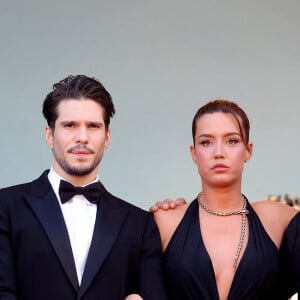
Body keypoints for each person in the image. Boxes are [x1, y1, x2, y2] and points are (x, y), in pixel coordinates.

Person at [0, 75, 167, 300]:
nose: (82, 137)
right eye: (70, 125)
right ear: (49, 135)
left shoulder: (140, 225)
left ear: (107, 137)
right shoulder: (6, 207)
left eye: (93, 126)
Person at [151, 99, 299, 299]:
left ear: (248, 150)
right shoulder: (165, 221)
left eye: (232, 141)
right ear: (194, 153)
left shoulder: (277, 219)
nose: (218, 153)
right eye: (206, 142)